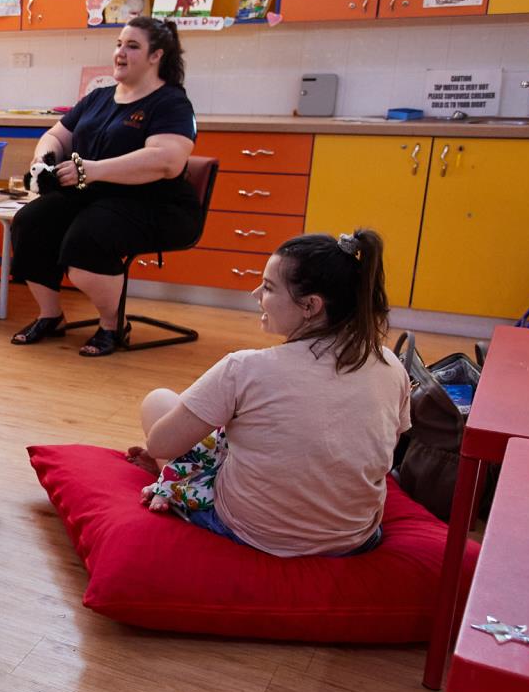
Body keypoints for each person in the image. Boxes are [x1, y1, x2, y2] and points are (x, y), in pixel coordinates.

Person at [129, 229, 410, 557]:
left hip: (252, 531)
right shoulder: (390, 364)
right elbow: (395, 437)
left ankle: (172, 479)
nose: (255, 294)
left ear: (310, 305)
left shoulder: (245, 368)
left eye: (269, 287)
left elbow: (161, 443)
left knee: (159, 401)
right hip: (354, 538)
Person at [8, 16, 201, 357]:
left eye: (132, 46)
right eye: (118, 44)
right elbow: (56, 135)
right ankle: (51, 316)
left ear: (156, 56)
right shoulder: (98, 98)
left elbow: (167, 161)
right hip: (92, 196)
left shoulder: (171, 103)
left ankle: (112, 325)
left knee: (87, 239)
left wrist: (92, 170)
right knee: (29, 222)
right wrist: (44, 162)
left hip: (153, 204)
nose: (120, 53)